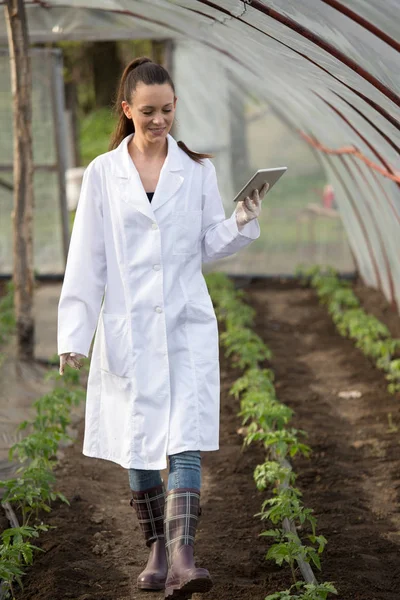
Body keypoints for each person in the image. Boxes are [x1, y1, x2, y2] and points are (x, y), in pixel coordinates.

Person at [58, 57, 266, 599]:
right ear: (126, 110)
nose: (159, 121)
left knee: (185, 439)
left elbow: (206, 243)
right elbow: (88, 258)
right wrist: (73, 337)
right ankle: (155, 549)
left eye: (167, 110)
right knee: (140, 443)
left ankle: (183, 555)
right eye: (148, 111)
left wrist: (242, 218)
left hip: (184, 323)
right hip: (129, 330)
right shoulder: (104, 173)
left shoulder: (196, 171)